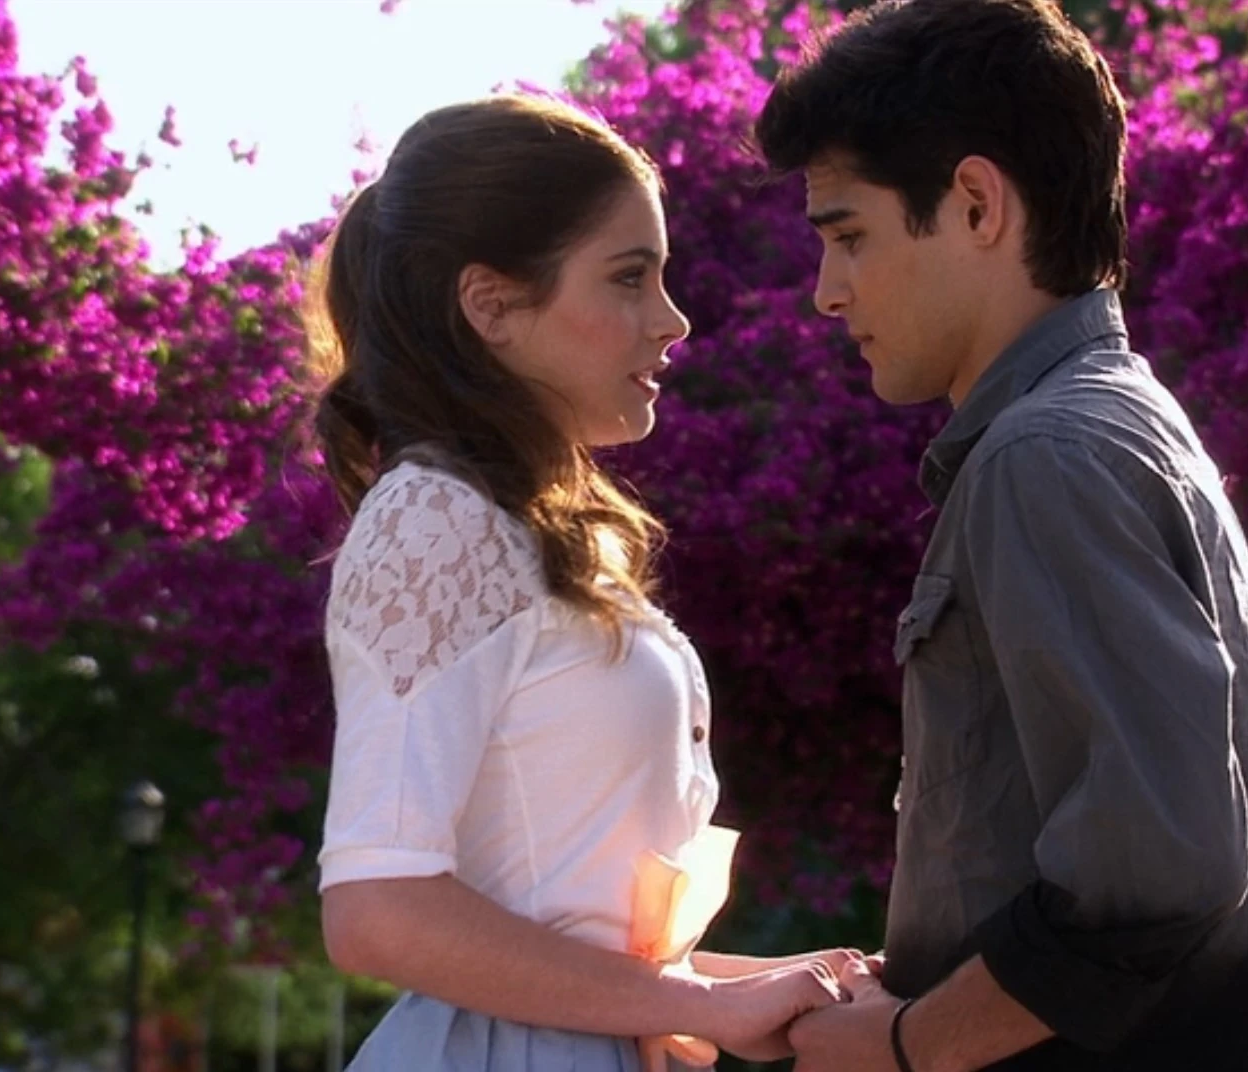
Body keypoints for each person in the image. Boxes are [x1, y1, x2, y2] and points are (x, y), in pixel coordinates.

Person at [754, 1, 1248, 1069]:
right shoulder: (1108, 424)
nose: (828, 293)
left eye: (848, 236)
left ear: (976, 204)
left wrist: (909, 1042)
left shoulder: (1048, 453)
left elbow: (1157, 868)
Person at [305, 94, 851, 1072]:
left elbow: (562, 928)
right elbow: (377, 908)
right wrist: (702, 1003)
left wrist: (783, 984)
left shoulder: (513, 530)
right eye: (629, 277)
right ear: (492, 305)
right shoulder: (435, 519)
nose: (672, 320)